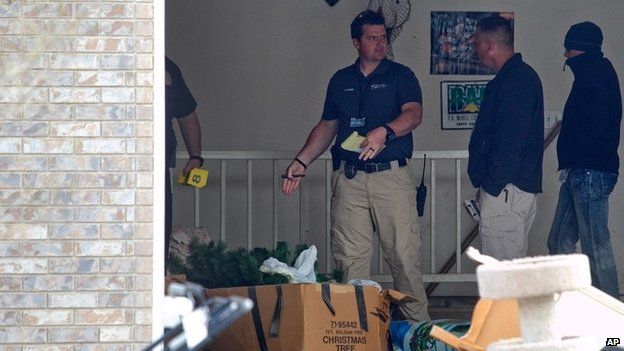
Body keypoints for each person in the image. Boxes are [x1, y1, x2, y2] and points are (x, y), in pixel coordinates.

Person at [282, 10, 429, 321]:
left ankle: (418, 333)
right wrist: (301, 160)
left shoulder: (401, 75)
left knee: (404, 259)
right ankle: (355, 332)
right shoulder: (341, 80)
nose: (380, 43)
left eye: (383, 37)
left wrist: (385, 131)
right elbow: (327, 125)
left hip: (391, 177)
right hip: (349, 180)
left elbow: (414, 114)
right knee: (349, 263)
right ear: (356, 42)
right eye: (372, 38)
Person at [547, 22, 621, 298]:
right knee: (559, 242)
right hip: (581, 172)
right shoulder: (594, 73)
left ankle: (613, 330)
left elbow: (594, 126)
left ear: (581, 49)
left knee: (596, 248)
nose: (565, 55)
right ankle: (578, 311)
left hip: (589, 173)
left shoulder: (595, 75)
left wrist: (573, 155)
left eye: (568, 48)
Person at [467, 15, 544, 260]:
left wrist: (492, 186)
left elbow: (510, 142)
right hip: (508, 190)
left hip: (506, 191)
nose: (474, 47)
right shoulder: (515, 79)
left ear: (489, 46)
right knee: (511, 275)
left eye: (476, 42)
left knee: (503, 279)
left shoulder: (516, 81)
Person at [165, 57, 203, 262]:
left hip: (160, 164)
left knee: (160, 226)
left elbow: (187, 114)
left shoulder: (168, 67)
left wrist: (195, 156)